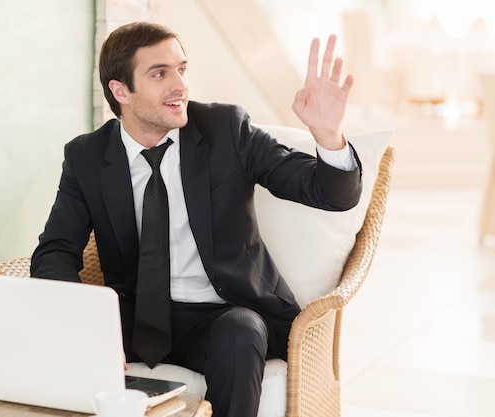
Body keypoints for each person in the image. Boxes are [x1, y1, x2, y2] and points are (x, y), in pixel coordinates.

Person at [31, 21, 361, 417]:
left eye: (181, 69)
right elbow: (54, 253)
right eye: (159, 73)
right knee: (42, 335)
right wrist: (85, 323)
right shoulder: (87, 157)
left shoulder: (226, 131)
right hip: (134, 318)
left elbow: (328, 193)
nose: (180, 85)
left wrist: (328, 134)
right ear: (121, 91)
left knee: (241, 331)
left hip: (219, 314)